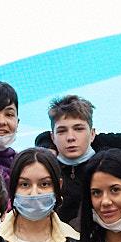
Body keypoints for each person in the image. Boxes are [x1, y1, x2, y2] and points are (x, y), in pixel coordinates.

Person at [0, 148, 79, 242]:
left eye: (44, 184)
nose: (34, 193)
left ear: (58, 186)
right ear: (12, 187)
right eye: (25, 184)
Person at [44, 94, 101, 224]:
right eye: (62, 131)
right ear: (52, 138)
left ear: (92, 134)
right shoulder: (45, 172)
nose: (70, 137)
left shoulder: (106, 168)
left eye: (78, 129)